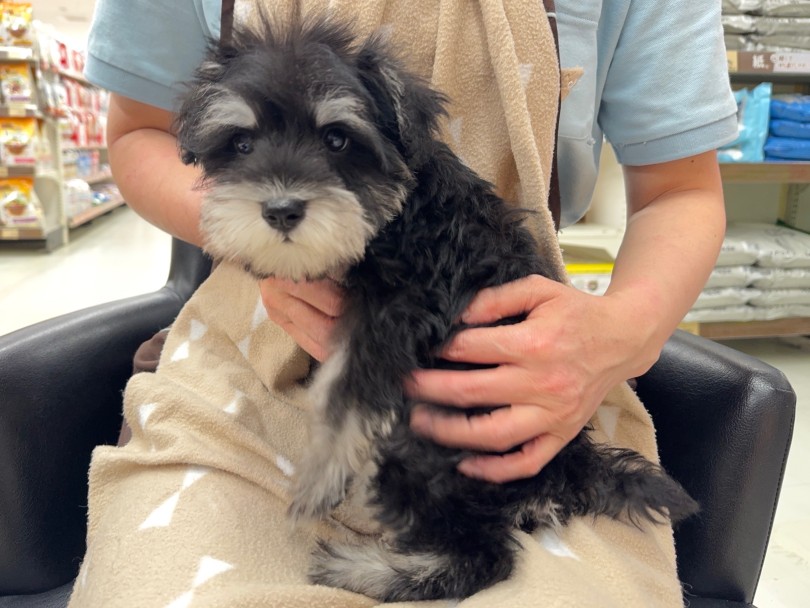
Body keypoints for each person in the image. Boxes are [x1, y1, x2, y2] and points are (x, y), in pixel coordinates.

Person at [74, 0, 737, 605]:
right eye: (241, 145)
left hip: (538, 383)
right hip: (239, 368)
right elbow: (138, 133)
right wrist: (264, 245)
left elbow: (681, 190)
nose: (281, 189)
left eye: (337, 141)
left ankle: (463, 553)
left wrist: (622, 330)